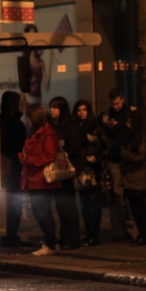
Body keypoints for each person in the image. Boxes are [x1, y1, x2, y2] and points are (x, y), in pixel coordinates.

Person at [102, 88, 146, 246]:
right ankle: (121, 230)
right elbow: (103, 137)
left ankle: (136, 230)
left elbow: (139, 150)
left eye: (118, 103)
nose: (115, 106)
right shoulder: (107, 116)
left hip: (128, 159)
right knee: (117, 195)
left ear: (123, 100)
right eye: (113, 104)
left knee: (132, 197)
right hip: (116, 158)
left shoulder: (133, 114)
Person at [19, 105, 61, 256]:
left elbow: (50, 156)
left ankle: (50, 243)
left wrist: (28, 160)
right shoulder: (34, 133)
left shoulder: (48, 133)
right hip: (33, 178)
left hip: (43, 178)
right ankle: (50, 241)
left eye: (29, 117)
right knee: (38, 211)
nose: (27, 120)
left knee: (43, 211)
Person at [48, 96, 82, 250]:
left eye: (55, 107)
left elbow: (75, 147)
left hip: (67, 170)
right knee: (61, 206)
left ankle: (72, 238)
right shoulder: (53, 125)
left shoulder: (70, 124)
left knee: (68, 205)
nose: (52, 110)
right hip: (58, 170)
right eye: (51, 107)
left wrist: (62, 149)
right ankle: (65, 237)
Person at [73, 100, 107, 246]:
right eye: (79, 110)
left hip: (93, 170)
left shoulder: (96, 128)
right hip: (80, 169)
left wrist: (97, 158)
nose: (82, 113)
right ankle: (89, 234)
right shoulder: (74, 127)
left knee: (94, 204)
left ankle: (94, 235)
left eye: (84, 110)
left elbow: (106, 147)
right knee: (85, 204)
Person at [0, 91, 28, 247]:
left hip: (0, 168)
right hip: (14, 169)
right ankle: (11, 234)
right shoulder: (18, 124)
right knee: (14, 203)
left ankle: (1, 233)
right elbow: (21, 146)